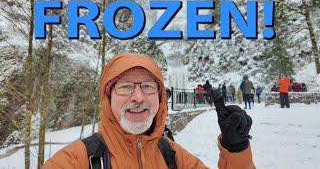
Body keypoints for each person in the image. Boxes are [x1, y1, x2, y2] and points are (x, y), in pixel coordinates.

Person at [43, 53, 255, 169]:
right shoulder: (75, 161)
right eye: (125, 87)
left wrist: (236, 150)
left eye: (148, 86)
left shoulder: (172, 156)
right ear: (108, 98)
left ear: (160, 98)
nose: (138, 97)